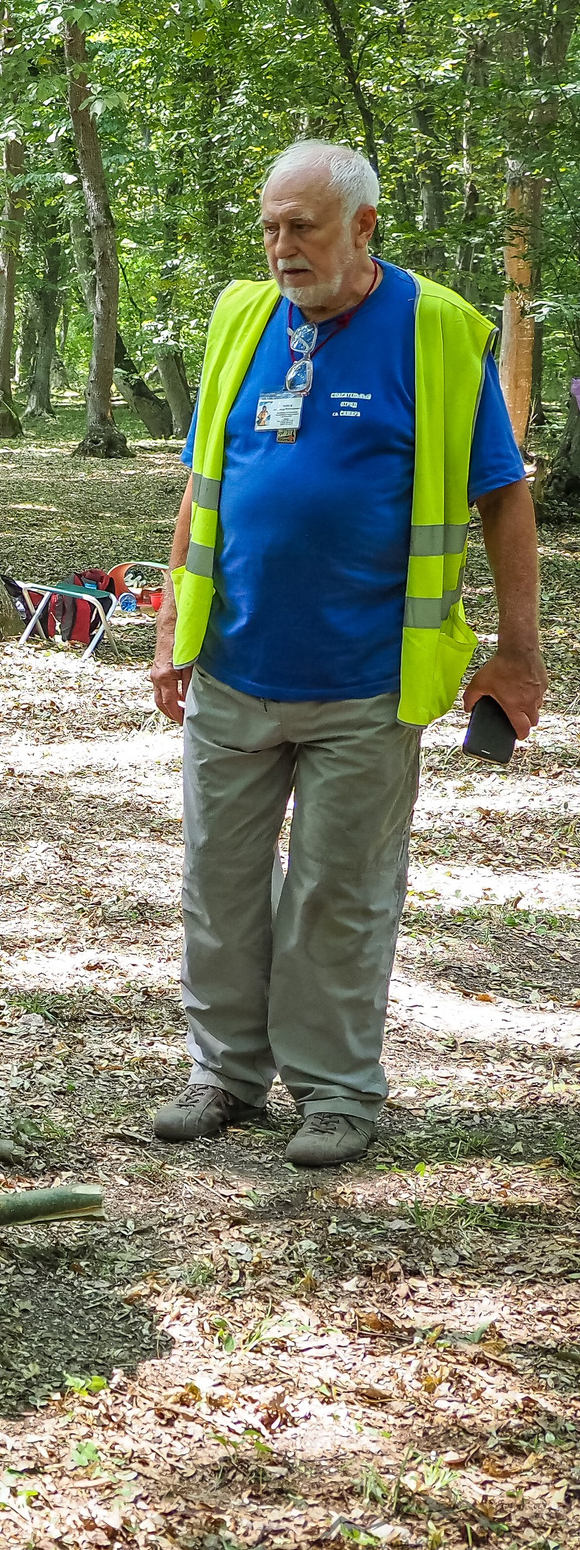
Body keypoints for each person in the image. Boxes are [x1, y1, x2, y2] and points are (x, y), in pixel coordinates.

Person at [151, 140, 544, 1169]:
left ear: (362, 227)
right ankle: (227, 1075)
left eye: (303, 227)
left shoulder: (436, 331)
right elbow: (201, 481)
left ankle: (334, 1091)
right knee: (219, 880)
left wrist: (518, 653)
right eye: (270, 226)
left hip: (368, 680)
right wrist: (167, 629)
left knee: (339, 890)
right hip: (233, 666)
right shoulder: (242, 319)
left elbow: (503, 495)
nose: (282, 247)